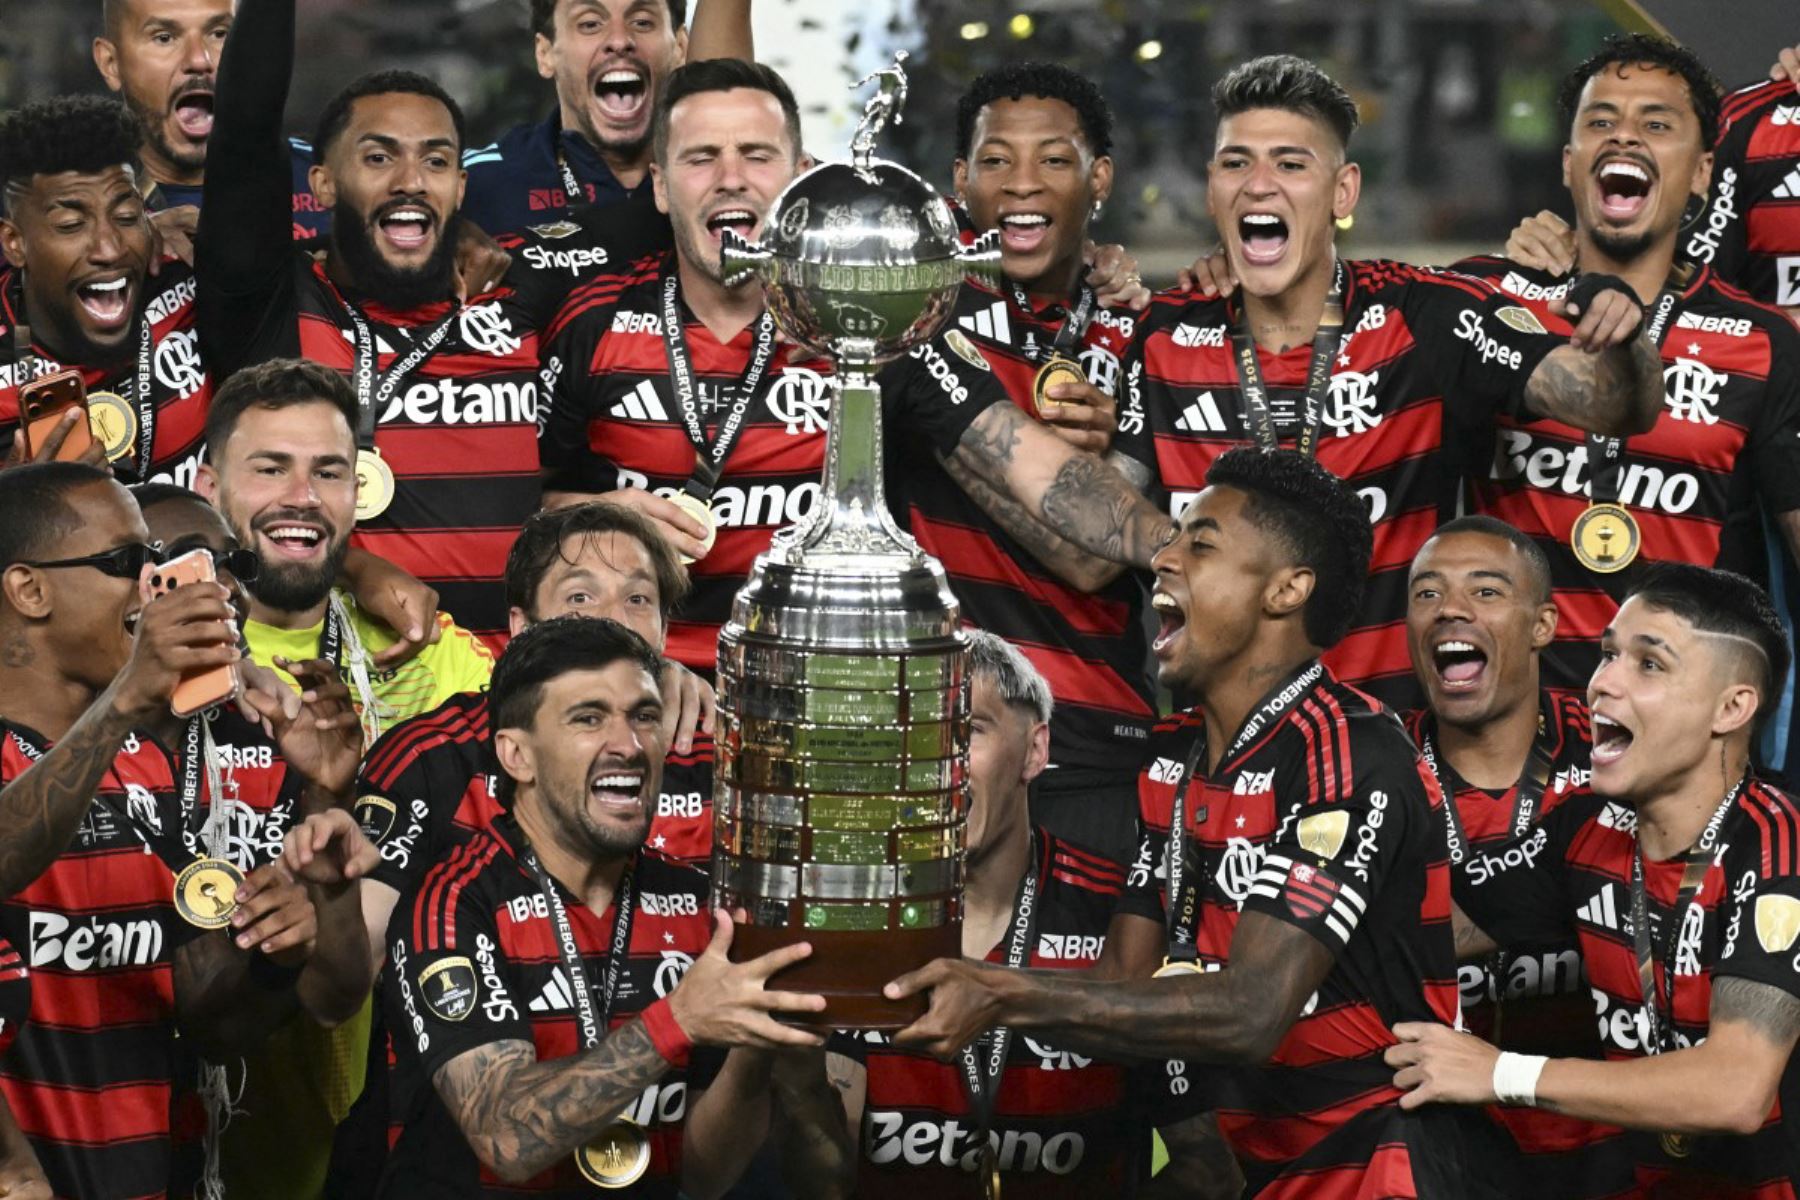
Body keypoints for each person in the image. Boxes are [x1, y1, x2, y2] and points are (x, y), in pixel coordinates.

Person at [885, 447, 1505, 1198]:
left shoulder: (1349, 754)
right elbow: (1122, 986)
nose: (1164, 558)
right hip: (1268, 1174)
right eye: (1172, 538)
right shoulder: (1171, 759)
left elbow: (1251, 1012)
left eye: (1200, 543)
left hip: (1384, 1166)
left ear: (1285, 590)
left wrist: (1000, 993)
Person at [542, 58, 1175, 670]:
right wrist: (598, 514)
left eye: (757, 156)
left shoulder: (872, 316)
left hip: (813, 700)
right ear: (659, 183)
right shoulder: (588, 322)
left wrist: (1182, 551)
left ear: (803, 176)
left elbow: (1032, 465)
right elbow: (516, 503)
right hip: (645, 694)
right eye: (701, 157)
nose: (730, 178)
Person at [1143, 54, 1664, 710]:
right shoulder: (1159, 335)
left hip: (1387, 751)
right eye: (1236, 162)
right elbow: (1095, 524)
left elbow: (1613, 404)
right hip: (1215, 764)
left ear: (1344, 192)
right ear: (1211, 185)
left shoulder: (1424, 316)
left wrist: (1622, 337)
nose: (1258, 186)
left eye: (1291, 163)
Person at [0, 461, 365, 1198]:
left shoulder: (144, 769)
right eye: (126, 563)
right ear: (28, 589)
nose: (154, 588)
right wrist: (130, 696)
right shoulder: (119, 732)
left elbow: (206, 1026)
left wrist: (272, 946)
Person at [378, 615, 841, 1197]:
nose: (628, 745)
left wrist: (755, 1046)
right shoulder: (451, 902)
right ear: (517, 756)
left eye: (645, 717)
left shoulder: (697, 906)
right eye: (588, 718)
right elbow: (505, 1138)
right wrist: (679, 1020)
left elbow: (701, 1178)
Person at [1390, 563, 1800, 1198]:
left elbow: (1735, 1091)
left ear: (1732, 707)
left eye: (1649, 664)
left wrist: (1502, 1073)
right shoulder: (1587, 829)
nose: (1601, 683)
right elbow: (1430, 933)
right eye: (1608, 655)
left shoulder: (1780, 846)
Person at [332, 500, 706, 1194]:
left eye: (639, 599)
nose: (611, 619)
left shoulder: (719, 753)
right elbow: (349, 975)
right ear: (521, 627)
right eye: (581, 596)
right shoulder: (430, 760)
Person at [800, 631, 1225, 1196]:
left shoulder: (1119, 918)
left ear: (1034, 751)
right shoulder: (856, 921)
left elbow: (1208, 1165)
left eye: (969, 730)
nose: (939, 760)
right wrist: (790, 1075)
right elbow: (827, 1180)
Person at [1448, 35, 1800, 702]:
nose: (1624, 138)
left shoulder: (1762, 341)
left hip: (1683, 740)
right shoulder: (1481, 301)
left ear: (1703, 172)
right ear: (1568, 161)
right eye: (1600, 121)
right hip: (1507, 740)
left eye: (1656, 124)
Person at [197, 0, 545, 646]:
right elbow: (243, 134)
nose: (411, 181)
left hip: (511, 695)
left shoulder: (521, 299)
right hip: (333, 685)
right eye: (379, 159)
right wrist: (354, 568)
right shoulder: (274, 302)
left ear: (462, 189)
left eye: (436, 162)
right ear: (323, 184)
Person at [889, 61, 1156, 866]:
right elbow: (1088, 540)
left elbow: (1095, 559)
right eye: (997, 161)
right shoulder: (917, 306)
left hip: (1105, 744)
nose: (1022, 184)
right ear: (961, 180)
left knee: (1102, 989)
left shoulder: (1145, 330)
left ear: (1098, 176)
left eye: (1054, 159)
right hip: (942, 743)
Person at [1402, 516, 1621, 1195]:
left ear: (1544, 625)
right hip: (1439, 1152)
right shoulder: (1368, 764)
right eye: (1427, 594)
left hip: (1619, 1138)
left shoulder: (1618, 751)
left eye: (1487, 592)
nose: (1452, 611)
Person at [196, 358, 495, 736]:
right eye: (271, 469)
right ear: (209, 491)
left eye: (327, 474)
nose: (303, 497)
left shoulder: (428, 647)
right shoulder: (165, 653)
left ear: (355, 497)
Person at [0, 95, 211, 482]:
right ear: (15, 243)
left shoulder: (190, 281)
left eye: (125, 216)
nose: (109, 248)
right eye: (70, 225)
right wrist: (18, 502)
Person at [460, 0, 751, 236]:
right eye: (590, 24)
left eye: (642, 22)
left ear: (680, 48)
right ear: (545, 53)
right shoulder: (479, 183)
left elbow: (725, 86)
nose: (619, 40)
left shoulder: (729, 174)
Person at [91, 0, 327, 238]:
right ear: (111, 63)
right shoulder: (75, 204)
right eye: (164, 38)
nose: (199, 60)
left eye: (219, 34)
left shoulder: (330, 181)